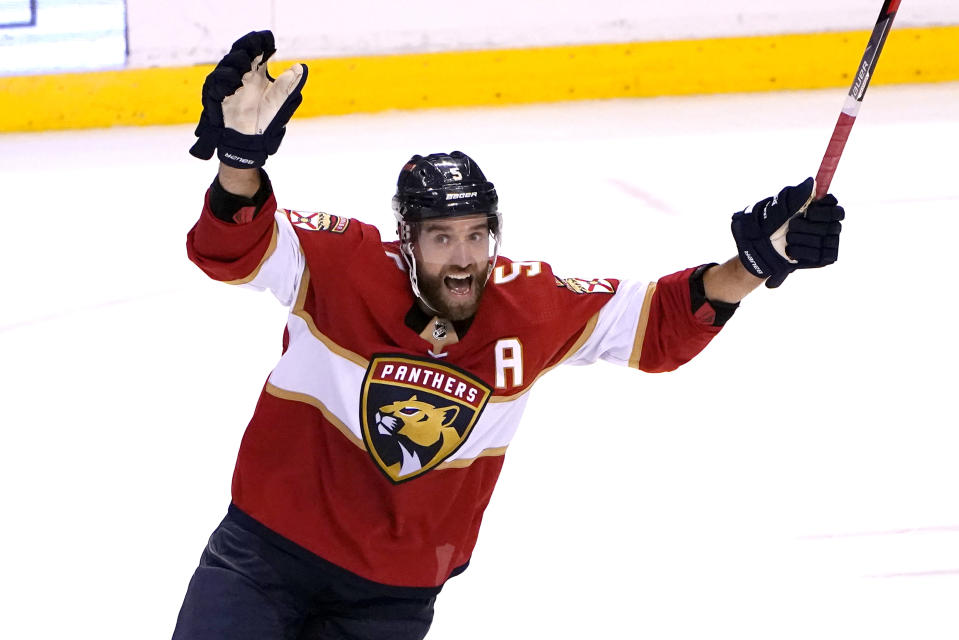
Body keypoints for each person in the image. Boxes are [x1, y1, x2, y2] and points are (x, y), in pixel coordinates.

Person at [174, 31, 844, 640]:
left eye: (475, 236)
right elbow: (231, 247)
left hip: (392, 597)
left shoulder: (530, 306)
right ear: (404, 241)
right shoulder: (339, 265)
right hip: (263, 558)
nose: (462, 258)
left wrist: (755, 264)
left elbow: (659, 323)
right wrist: (239, 162)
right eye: (441, 238)